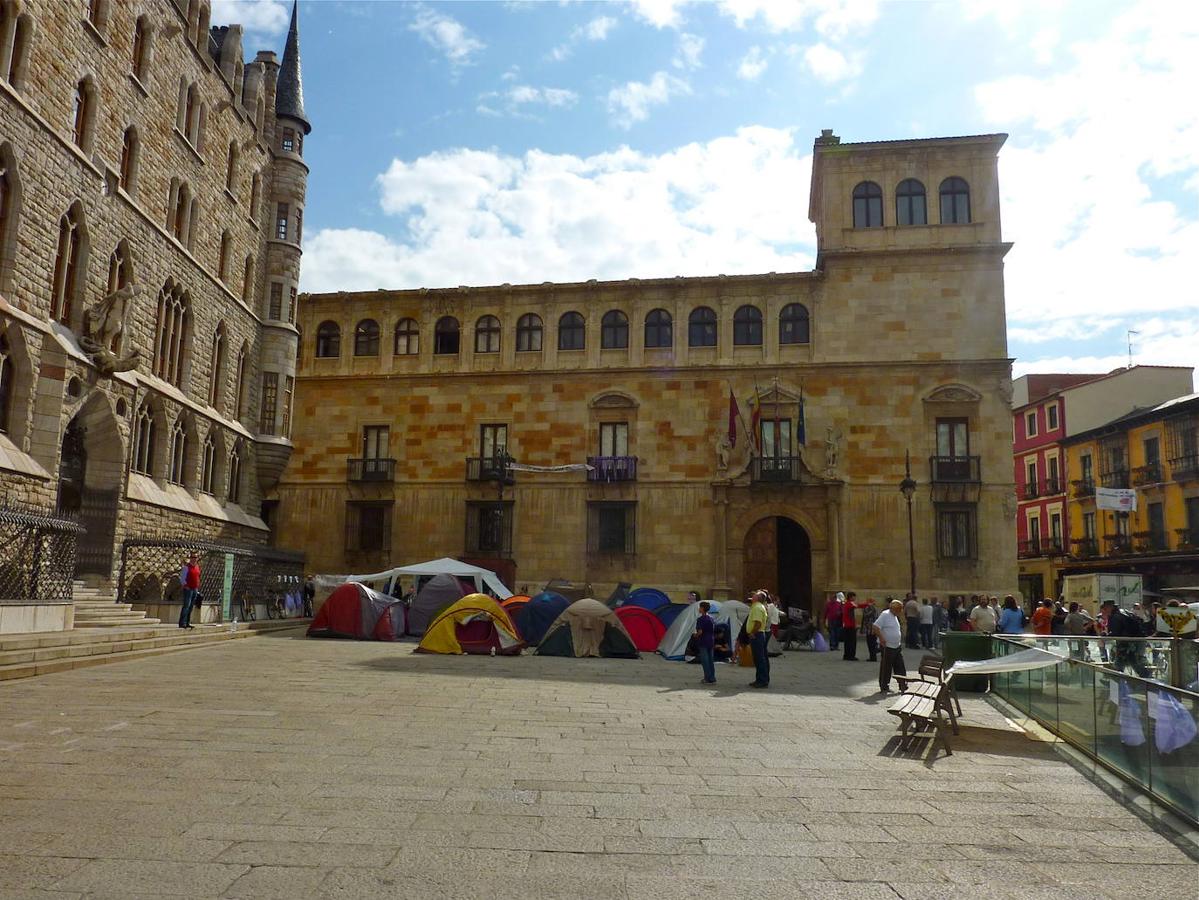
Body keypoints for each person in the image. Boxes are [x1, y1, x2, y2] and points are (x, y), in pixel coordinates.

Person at [1100, 599, 1152, 677]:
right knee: (1132, 662)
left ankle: (1115, 680)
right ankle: (1146, 677)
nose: (1103, 611)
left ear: (1109, 607)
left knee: (1123, 662)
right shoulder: (1123, 612)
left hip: (1127, 643)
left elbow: (1116, 633)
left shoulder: (1116, 616)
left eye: (1104, 609)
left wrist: (1105, 636)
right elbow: (1139, 621)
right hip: (1135, 641)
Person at [873, 599, 907, 693]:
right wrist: (881, 638)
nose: (900, 611)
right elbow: (875, 627)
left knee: (900, 666)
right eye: (899, 609)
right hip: (887, 646)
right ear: (894, 609)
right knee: (886, 667)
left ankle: (903, 684)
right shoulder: (885, 614)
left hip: (897, 646)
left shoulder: (894, 616)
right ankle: (884, 686)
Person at [745, 590, 771, 688]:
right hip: (759, 635)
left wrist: (752, 633)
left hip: (757, 635)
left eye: (755, 595)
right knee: (759, 658)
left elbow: (758, 623)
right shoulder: (757, 607)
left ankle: (762, 680)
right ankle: (760, 679)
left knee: (759, 658)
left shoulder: (757, 608)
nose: (752, 595)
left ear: (757, 598)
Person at [693, 601, 716, 684]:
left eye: (700, 607)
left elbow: (700, 632)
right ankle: (712, 677)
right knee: (710, 660)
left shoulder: (700, 619)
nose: (699, 609)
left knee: (705, 661)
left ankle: (707, 678)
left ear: (702, 609)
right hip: (711, 640)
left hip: (703, 641)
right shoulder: (711, 618)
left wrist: (695, 635)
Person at [178, 554, 200, 629]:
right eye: (193, 557)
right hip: (188, 589)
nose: (194, 559)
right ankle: (182, 622)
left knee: (191, 606)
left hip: (195, 589)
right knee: (186, 605)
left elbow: (197, 577)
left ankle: (187, 622)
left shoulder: (197, 567)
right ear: (190, 558)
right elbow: (182, 578)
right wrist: (185, 586)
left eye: (195, 557)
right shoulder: (186, 567)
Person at [841, 591, 861, 661]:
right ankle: (851, 655)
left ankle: (846, 655)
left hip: (846, 625)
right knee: (852, 641)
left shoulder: (846, 604)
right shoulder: (849, 603)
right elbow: (858, 605)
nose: (855, 598)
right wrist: (868, 604)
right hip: (850, 626)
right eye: (854, 596)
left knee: (847, 641)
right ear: (851, 597)